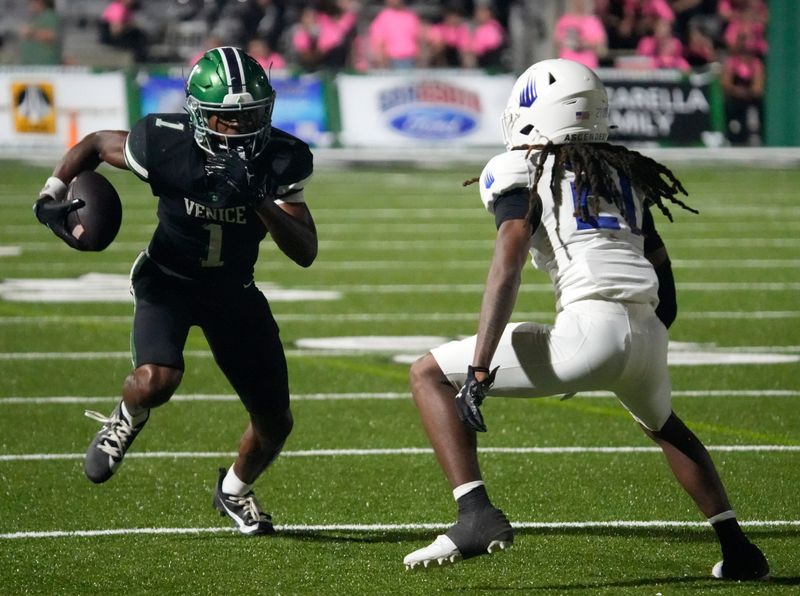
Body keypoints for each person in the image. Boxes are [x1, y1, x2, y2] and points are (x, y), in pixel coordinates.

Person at [402, 58, 770, 581]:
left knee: (428, 374)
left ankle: (475, 515)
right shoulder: (622, 175)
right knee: (666, 427)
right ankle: (739, 550)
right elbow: (663, 277)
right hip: (646, 330)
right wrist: (637, 347)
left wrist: (480, 367)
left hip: (590, 329)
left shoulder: (523, 168)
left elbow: (507, 266)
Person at [32, 46, 318, 536]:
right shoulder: (165, 143)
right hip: (168, 280)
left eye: (252, 114)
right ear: (200, 115)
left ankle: (234, 491)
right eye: (229, 117)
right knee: (155, 382)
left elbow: (305, 249)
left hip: (234, 290)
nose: (243, 127)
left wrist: (258, 198)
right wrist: (51, 193)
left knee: (275, 422)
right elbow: (97, 144)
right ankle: (126, 416)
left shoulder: (280, 158)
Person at [17, 0, 62, 65]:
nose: (31, 4)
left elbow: (52, 35)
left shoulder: (49, 15)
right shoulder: (36, 17)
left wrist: (30, 32)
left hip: (44, 65)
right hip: (31, 65)